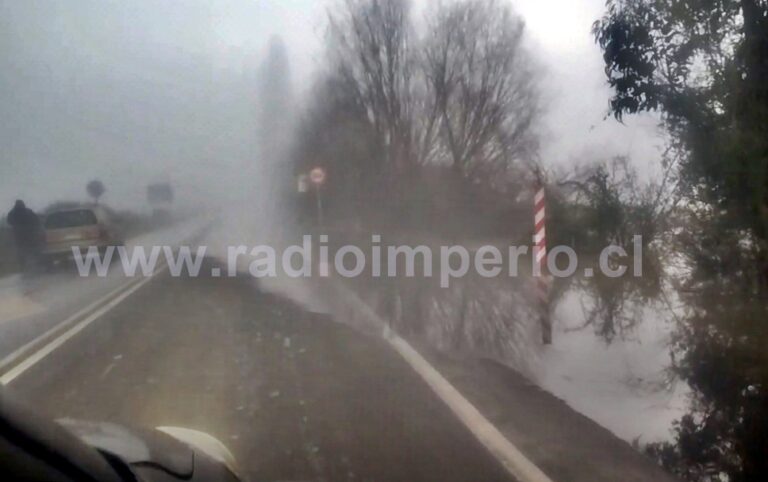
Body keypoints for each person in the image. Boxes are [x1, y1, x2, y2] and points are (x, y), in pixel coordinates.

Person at [6, 200, 43, 270]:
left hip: (18, 235)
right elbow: (36, 220)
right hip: (30, 234)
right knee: (33, 249)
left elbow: (9, 221)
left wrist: (16, 226)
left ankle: (23, 265)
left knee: (21, 251)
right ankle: (37, 263)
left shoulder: (12, 213)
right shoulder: (28, 211)